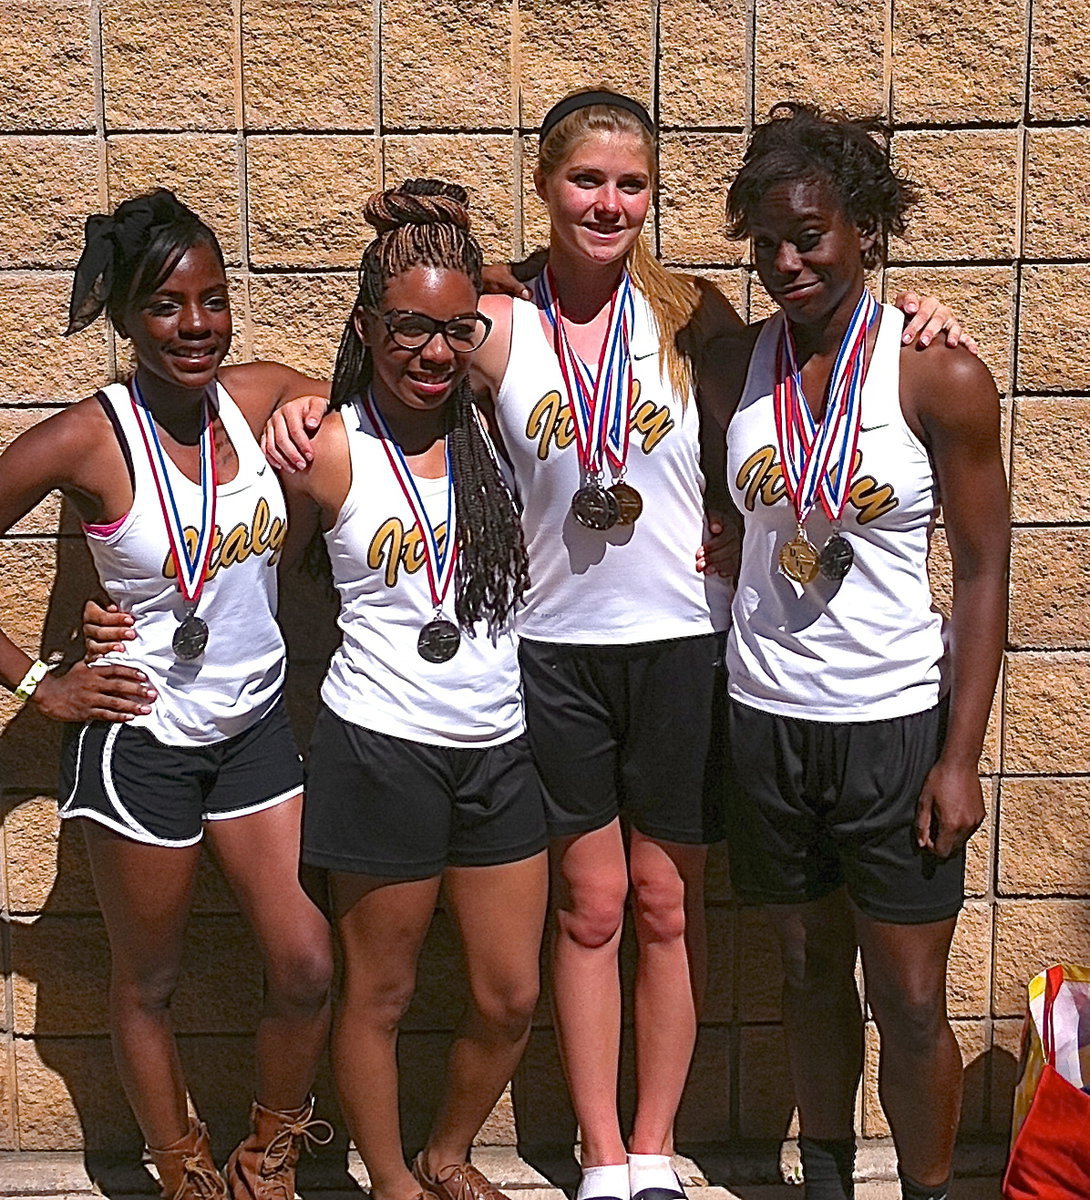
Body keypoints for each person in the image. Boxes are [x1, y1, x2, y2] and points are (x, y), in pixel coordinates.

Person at [262, 91, 977, 1200]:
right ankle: (599, 1155)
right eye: (586, 179)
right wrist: (297, 403)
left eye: (631, 183)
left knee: (665, 905)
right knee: (590, 909)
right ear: (544, 186)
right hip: (551, 655)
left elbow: (821, 365)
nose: (609, 201)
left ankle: (653, 1149)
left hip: (687, 651)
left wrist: (918, 316)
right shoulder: (497, 318)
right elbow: (405, 355)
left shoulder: (696, 318)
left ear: (651, 198)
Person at [1, 189, 334, 1200]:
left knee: (307, 966)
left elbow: (395, 396)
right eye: (165, 306)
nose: (195, 325)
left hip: (254, 732)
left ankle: (267, 1156)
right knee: (147, 980)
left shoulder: (266, 393)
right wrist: (39, 679)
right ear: (124, 318)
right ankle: (182, 1166)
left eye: (213, 299)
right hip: (138, 742)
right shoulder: (85, 438)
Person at [702, 103, 1009, 1200]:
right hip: (764, 717)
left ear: (865, 230)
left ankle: (925, 1190)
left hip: (891, 725)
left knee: (912, 999)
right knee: (802, 970)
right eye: (766, 242)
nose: (785, 262)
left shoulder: (939, 375)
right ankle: (825, 1180)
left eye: (810, 236)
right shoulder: (730, 363)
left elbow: (980, 575)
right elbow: (576, 294)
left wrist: (959, 756)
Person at [281, 179, 549, 1200]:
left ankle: (449, 1153)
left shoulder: (501, 430)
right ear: (365, 327)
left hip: (496, 747)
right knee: (379, 993)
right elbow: (259, 568)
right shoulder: (329, 445)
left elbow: (601, 306)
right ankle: (392, 1180)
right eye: (408, 330)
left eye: (454, 329)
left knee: (509, 992)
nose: (434, 352)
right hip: (380, 745)